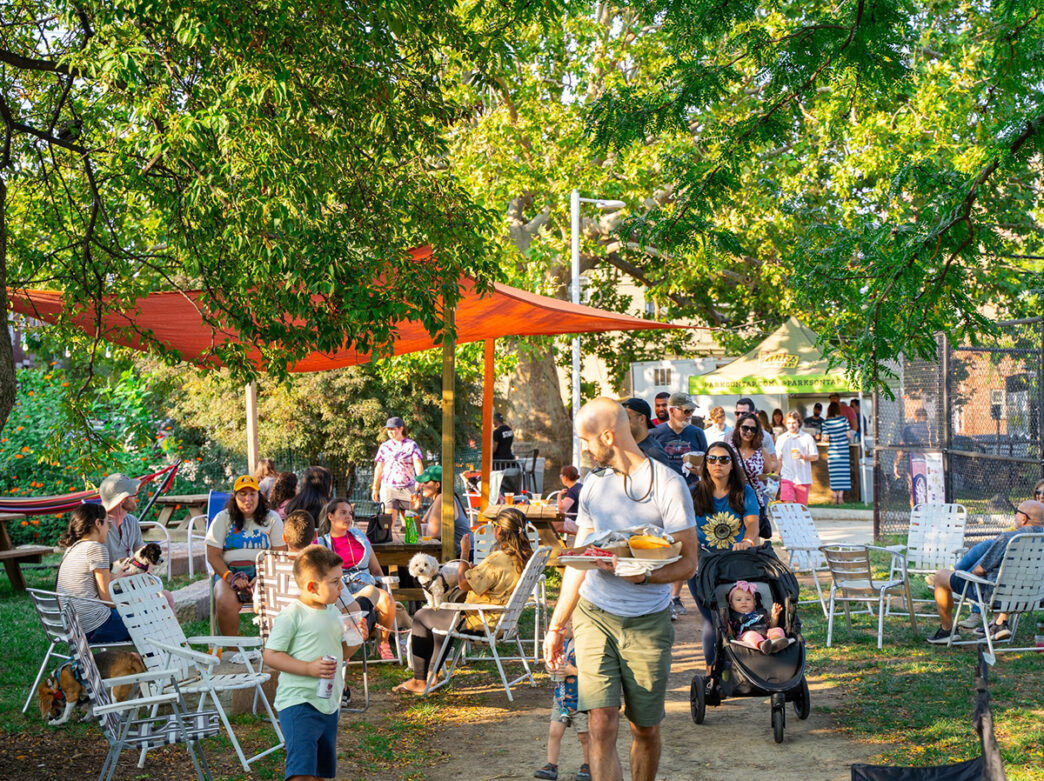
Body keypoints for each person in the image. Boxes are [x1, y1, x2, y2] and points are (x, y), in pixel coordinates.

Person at [544, 397, 699, 781]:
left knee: (644, 728)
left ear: (609, 436)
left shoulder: (669, 485)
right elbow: (580, 561)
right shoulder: (594, 486)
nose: (583, 449)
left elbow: (688, 562)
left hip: (647, 621)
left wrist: (644, 574)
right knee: (600, 723)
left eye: (586, 440)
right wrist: (556, 625)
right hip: (595, 614)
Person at [392, 507, 534, 695]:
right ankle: (432, 675)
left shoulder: (499, 558)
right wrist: (475, 570)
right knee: (443, 617)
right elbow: (492, 579)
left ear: (499, 530)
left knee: (421, 616)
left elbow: (463, 583)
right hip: (503, 621)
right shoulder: (524, 557)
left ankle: (419, 680)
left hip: (482, 621)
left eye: (494, 526)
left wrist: (465, 554)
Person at [262, 546, 347, 781]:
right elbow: (271, 654)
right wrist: (308, 668)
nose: (341, 587)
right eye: (335, 582)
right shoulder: (292, 615)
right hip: (299, 702)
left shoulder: (332, 611)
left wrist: (357, 638)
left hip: (328, 703)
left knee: (320, 771)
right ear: (312, 587)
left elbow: (342, 651)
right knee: (302, 772)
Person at [278, 510, 369, 709]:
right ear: (315, 537)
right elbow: (351, 610)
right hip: (317, 642)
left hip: (282, 643)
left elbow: (259, 606)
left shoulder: (267, 564)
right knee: (358, 610)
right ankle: (341, 685)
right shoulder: (321, 570)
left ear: (284, 538)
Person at [687, 441, 760, 680]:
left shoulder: (744, 492)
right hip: (704, 565)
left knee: (738, 616)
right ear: (705, 464)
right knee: (711, 619)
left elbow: (751, 524)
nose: (718, 464)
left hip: (735, 564)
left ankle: (744, 663)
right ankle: (712, 671)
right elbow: (684, 527)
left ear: (732, 465)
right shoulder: (695, 492)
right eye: (712, 459)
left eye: (724, 459)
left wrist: (747, 542)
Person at [926, 500, 1044, 644]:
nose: (1015, 517)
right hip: (1034, 597)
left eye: (1016, 513)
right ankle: (999, 624)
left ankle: (947, 630)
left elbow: (979, 571)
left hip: (994, 595)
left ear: (1024, 518)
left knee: (940, 577)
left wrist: (966, 574)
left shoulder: (1010, 538)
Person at [315, 498, 399, 660]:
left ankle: (383, 643)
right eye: (343, 513)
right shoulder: (321, 544)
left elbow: (375, 569)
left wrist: (383, 583)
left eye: (350, 513)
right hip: (342, 593)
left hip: (366, 586)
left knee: (387, 599)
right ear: (330, 516)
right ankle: (349, 642)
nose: (348, 517)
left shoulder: (360, 537)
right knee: (366, 596)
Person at [206, 475, 286, 636]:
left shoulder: (272, 518)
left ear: (259, 496)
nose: (248, 499)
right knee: (224, 600)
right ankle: (233, 651)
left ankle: (273, 649)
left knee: (276, 600)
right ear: (235, 497)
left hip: (264, 572)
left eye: (252, 494)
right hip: (228, 573)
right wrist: (230, 577)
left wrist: (263, 576)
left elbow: (279, 553)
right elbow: (213, 555)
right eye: (243, 494)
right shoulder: (223, 518)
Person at [56, 503, 131, 643]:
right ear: (98, 523)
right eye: (107, 523)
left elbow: (86, 586)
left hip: (75, 626)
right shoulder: (96, 549)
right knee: (150, 617)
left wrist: (113, 577)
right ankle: (158, 663)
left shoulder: (71, 549)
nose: (109, 529)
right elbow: (107, 599)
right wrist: (130, 603)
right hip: (96, 626)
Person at [534, 620, 590, 781]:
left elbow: (592, 674)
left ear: (575, 624)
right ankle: (551, 765)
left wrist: (572, 671)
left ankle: (588, 766)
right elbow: (554, 662)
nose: (562, 631)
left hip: (581, 700)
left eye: (565, 626)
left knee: (584, 736)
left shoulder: (585, 647)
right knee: (554, 732)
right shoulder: (564, 644)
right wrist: (550, 668)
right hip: (561, 699)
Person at [410, 465, 473, 561]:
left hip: (464, 557)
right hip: (458, 555)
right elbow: (422, 530)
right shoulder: (438, 499)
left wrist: (425, 530)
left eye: (426, 482)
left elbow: (432, 534)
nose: (422, 485)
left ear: (437, 485)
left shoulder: (442, 498)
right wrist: (414, 511)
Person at [371, 417, 423, 528]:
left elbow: (417, 463)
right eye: (388, 429)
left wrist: (419, 479)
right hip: (389, 487)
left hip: (408, 487)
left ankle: (409, 543)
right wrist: (375, 488)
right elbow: (379, 468)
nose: (390, 432)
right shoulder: (384, 446)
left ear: (401, 428)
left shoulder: (411, 445)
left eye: (393, 429)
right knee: (388, 521)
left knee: (409, 522)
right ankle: (388, 541)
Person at [730, 412, 778, 531]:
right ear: (738, 428)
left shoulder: (761, 451)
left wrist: (772, 481)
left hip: (754, 499)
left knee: (752, 535)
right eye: (745, 428)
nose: (749, 432)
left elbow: (767, 476)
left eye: (753, 429)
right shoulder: (730, 450)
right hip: (732, 496)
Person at [649, 391, 708, 476]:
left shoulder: (698, 433)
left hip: (692, 487)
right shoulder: (654, 433)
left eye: (692, 410)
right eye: (687, 411)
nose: (690, 414)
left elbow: (707, 463)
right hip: (665, 487)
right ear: (672, 410)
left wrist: (701, 471)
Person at [727, 581, 787, 654]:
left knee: (778, 629)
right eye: (738, 600)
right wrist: (724, 622)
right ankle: (762, 645)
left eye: (748, 599)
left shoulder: (760, 613)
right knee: (751, 634)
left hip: (766, 635)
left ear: (754, 602)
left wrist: (775, 615)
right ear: (731, 604)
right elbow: (731, 634)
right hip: (745, 638)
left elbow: (771, 627)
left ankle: (776, 643)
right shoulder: (733, 618)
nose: (744, 602)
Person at [774, 412, 818, 506]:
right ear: (785, 424)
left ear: (799, 423)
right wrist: (775, 475)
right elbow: (779, 459)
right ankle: (788, 521)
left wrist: (803, 457)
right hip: (787, 477)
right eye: (789, 423)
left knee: (801, 508)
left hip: (803, 478)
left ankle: (801, 520)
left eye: (794, 422)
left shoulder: (807, 437)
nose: (791, 425)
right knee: (787, 505)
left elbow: (815, 456)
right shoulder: (781, 439)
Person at [621, 397, 672, 470]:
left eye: (627, 418)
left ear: (642, 419)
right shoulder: (627, 446)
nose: (623, 422)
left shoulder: (654, 452)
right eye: (622, 418)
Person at [821, 401, 852, 505]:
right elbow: (848, 435)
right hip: (843, 450)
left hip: (833, 450)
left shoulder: (826, 422)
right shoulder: (844, 420)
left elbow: (825, 438)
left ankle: (834, 497)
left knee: (834, 474)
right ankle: (841, 497)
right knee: (843, 473)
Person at [557, 466, 583, 538]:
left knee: (548, 524)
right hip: (581, 520)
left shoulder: (572, 491)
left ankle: (555, 545)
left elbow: (561, 510)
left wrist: (559, 495)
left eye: (561, 476)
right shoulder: (579, 486)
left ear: (565, 477)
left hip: (574, 522)